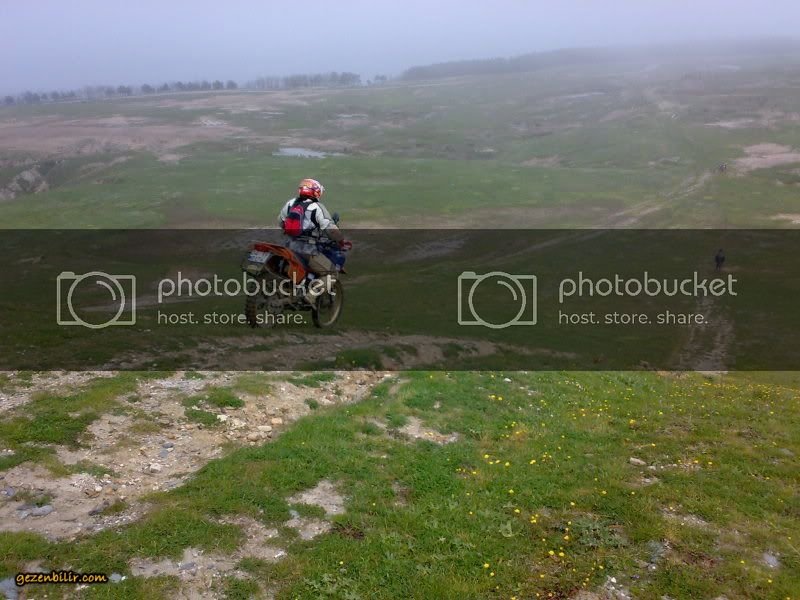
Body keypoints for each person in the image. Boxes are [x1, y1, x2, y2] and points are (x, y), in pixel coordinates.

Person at [278, 178, 349, 279]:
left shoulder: (290, 203)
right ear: (316, 192)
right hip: (307, 250)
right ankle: (313, 290)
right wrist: (341, 241)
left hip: (289, 246)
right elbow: (331, 230)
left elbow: (281, 222)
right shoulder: (317, 207)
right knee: (332, 274)